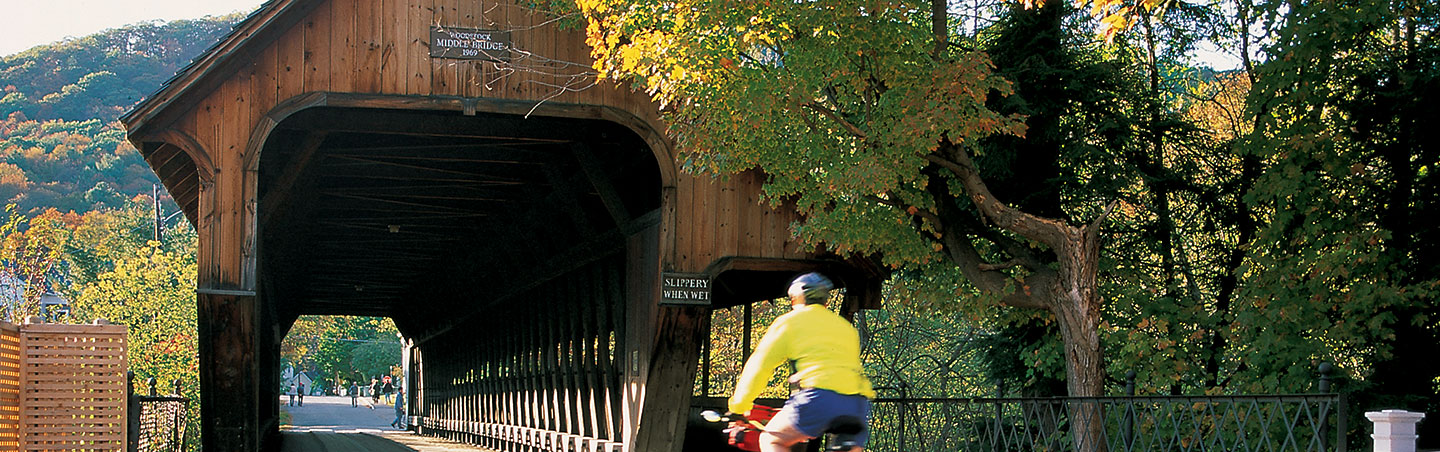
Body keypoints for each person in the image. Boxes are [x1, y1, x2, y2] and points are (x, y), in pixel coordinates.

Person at [728, 272, 874, 452]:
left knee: (772, 440)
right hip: (857, 404)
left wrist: (740, 403)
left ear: (795, 299)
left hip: (818, 398)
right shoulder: (845, 327)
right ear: (825, 301)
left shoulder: (789, 322)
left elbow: (760, 365)